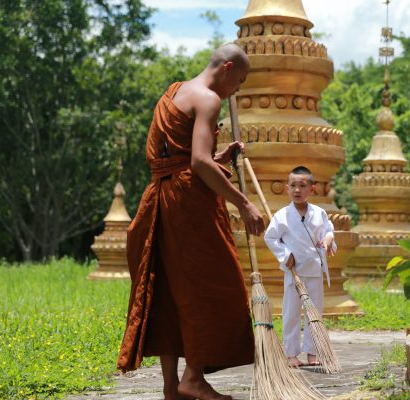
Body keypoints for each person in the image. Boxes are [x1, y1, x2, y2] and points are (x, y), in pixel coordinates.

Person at [117, 43, 266, 400]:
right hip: (188, 203)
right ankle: (194, 378)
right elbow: (197, 164)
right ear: (227, 68)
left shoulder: (175, 91)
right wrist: (244, 203)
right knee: (212, 284)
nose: (237, 91)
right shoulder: (210, 99)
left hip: (158, 197)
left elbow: (181, 157)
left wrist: (221, 156)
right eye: (240, 81)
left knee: (170, 289)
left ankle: (173, 387)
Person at [263, 166, 337, 368]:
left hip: (313, 269)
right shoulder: (282, 215)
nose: (297, 190)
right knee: (291, 313)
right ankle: (291, 353)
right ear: (287, 188)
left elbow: (329, 229)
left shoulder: (319, 213)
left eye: (302, 186)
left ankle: (313, 352)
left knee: (314, 313)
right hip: (293, 272)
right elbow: (270, 237)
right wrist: (285, 255)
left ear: (311, 189)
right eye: (293, 186)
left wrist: (329, 238)